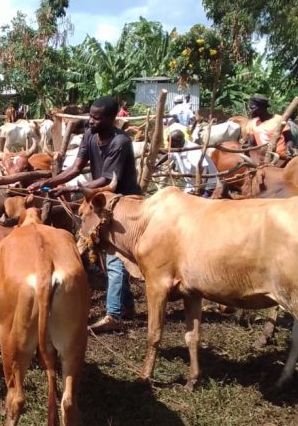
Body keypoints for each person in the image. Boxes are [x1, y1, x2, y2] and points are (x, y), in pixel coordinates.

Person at [28, 96, 142, 333]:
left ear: (112, 119)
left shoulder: (121, 142)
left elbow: (106, 179)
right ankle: (127, 306)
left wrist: (71, 189)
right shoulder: (90, 136)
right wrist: (47, 181)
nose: (91, 121)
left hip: (124, 202)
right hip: (102, 201)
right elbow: (76, 167)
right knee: (111, 254)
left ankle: (113, 314)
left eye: (97, 118)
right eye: (90, 115)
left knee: (114, 256)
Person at [168, 130, 217, 197]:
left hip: (208, 185)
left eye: (170, 143)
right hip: (192, 184)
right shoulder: (176, 148)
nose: (169, 145)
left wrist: (200, 188)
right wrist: (156, 165)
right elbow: (168, 155)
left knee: (200, 204)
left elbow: (203, 168)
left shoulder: (192, 150)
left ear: (177, 143)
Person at [245, 94, 293, 159]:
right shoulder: (252, 123)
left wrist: (289, 149)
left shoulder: (279, 119)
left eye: (252, 108)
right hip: (263, 158)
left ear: (262, 108)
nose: (250, 111)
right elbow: (251, 144)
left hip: (281, 157)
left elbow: (289, 139)